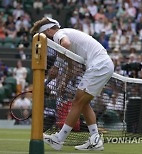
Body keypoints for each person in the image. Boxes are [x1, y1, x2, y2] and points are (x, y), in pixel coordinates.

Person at [30, 17, 114, 151]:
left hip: (99, 66)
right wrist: (63, 82)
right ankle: (95, 139)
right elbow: (71, 65)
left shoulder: (59, 34)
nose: (49, 40)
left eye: (46, 36)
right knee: (83, 103)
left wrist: (56, 67)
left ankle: (59, 139)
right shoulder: (67, 34)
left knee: (77, 102)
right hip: (103, 66)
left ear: (49, 30)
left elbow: (66, 44)